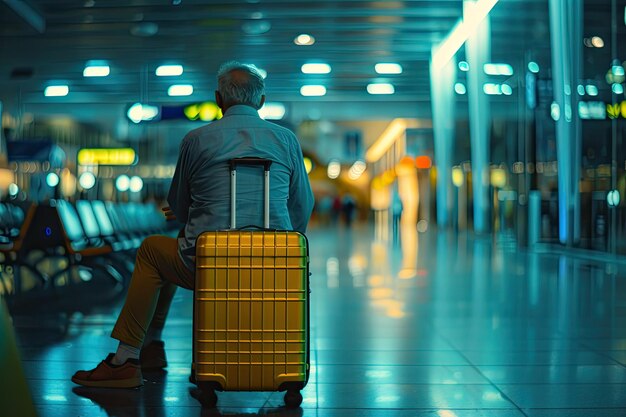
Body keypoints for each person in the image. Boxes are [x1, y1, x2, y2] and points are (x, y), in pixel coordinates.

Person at [71, 61, 315, 388]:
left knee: (156, 251)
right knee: (168, 250)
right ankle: (151, 348)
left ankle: (127, 358)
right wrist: (282, 245)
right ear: (261, 101)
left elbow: (178, 205)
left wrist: (195, 219)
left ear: (218, 99)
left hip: (208, 265)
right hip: (274, 267)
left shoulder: (196, 139)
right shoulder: (287, 140)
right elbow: (302, 205)